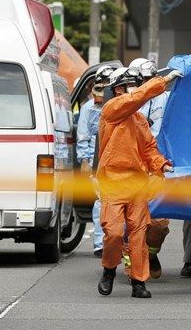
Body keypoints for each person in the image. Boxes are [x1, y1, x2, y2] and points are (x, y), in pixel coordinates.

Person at [96, 66, 181, 298]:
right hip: (113, 182)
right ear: (118, 89)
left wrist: (161, 165)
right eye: (131, 85)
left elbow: (149, 150)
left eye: (136, 84)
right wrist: (161, 81)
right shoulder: (111, 110)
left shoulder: (140, 120)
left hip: (136, 183)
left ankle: (139, 282)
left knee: (138, 234)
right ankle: (109, 270)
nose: (134, 89)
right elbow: (136, 97)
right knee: (113, 233)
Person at [121, 58, 171, 280]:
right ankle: (133, 267)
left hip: (157, 167)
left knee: (158, 223)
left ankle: (151, 254)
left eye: (151, 79)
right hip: (129, 170)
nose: (146, 83)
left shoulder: (167, 98)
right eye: (140, 80)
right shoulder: (124, 103)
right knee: (127, 221)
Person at [76, 65, 114, 258]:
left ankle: (118, 241)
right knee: (101, 202)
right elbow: (83, 135)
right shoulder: (88, 109)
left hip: (118, 160)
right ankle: (100, 244)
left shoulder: (121, 104)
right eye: (98, 88)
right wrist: (85, 161)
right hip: (97, 161)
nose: (100, 94)